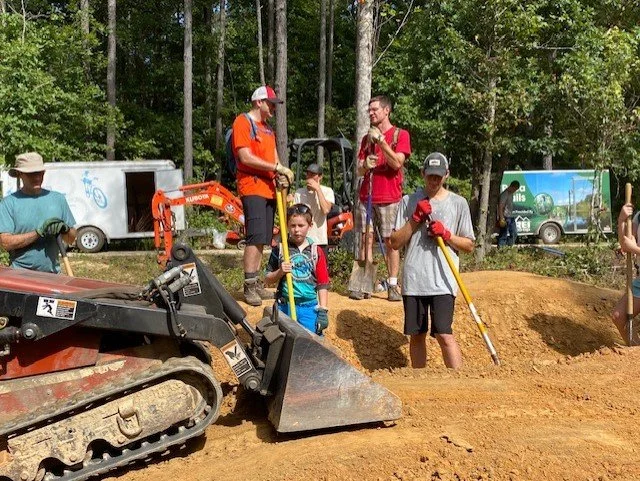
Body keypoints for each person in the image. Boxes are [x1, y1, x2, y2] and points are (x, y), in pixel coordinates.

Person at [389, 153, 475, 369]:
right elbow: (395, 242)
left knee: (444, 334)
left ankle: (458, 381)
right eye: (430, 176)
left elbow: (469, 245)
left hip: (444, 281)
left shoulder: (458, 203)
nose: (434, 181)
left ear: (447, 175)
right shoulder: (408, 201)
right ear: (422, 174)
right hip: (415, 280)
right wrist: (415, 219)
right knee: (417, 336)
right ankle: (420, 382)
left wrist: (447, 235)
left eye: (438, 176)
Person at [232, 85, 294, 306]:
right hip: (253, 187)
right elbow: (245, 157)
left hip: (269, 189)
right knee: (255, 237)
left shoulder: (268, 129)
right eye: (271, 104)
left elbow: (275, 160)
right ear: (259, 102)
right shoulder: (243, 122)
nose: (274, 108)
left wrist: (281, 174)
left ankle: (257, 282)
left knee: (264, 239)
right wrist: (276, 169)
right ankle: (249, 284)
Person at [351, 95, 411, 302]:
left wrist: (382, 142)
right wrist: (365, 164)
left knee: (390, 241)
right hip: (366, 196)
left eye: (374, 109)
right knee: (365, 238)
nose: (371, 113)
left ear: (387, 111)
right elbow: (358, 170)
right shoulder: (366, 139)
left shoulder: (400, 135)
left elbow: (397, 164)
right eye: (369, 110)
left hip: (389, 197)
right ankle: (363, 284)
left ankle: (392, 284)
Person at [0, 152, 77, 273]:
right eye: (31, 174)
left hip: (53, 275)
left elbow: (71, 239)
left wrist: (65, 229)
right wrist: (38, 233)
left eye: (40, 173)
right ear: (20, 174)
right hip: (20, 276)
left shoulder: (58, 199)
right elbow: (6, 243)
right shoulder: (8, 203)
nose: (37, 178)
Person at [264, 203, 330, 335]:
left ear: (310, 226)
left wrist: (322, 310)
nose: (296, 230)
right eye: (293, 226)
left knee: (311, 343)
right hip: (285, 305)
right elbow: (267, 278)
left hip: (309, 307)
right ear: (287, 226)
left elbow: (323, 284)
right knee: (282, 342)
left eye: (301, 225)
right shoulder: (281, 249)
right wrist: (280, 272)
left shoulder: (316, 251)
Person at [611, 203, 640, 345]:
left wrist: (634, 248)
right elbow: (626, 243)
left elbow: (632, 246)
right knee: (619, 317)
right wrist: (621, 220)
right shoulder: (639, 217)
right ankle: (636, 350)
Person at [293, 163, 335, 258]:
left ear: (320, 177)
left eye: (313, 175)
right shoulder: (299, 192)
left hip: (319, 240)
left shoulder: (327, 191)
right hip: (302, 240)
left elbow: (326, 210)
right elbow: (295, 215)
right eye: (308, 174)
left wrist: (318, 190)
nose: (309, 177)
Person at [497, 180, 520, 248]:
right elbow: (500, 206)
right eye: (515, 189)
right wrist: (501, 218)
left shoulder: (511, 193)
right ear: (512, 186)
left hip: (510, 216)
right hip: (505, 217)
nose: (515, 191)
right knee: (503, 235)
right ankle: (501, 249)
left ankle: (508, 248)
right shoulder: (505, 194)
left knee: (514, 233)